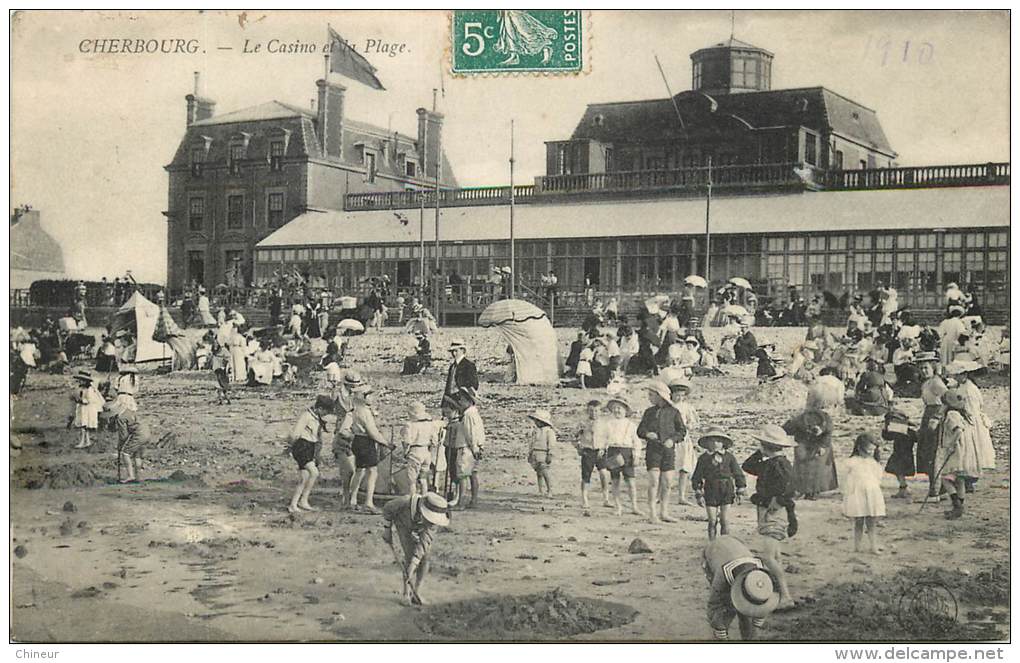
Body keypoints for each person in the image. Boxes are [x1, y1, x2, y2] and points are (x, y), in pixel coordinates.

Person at [741, 423, 797, 610]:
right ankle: (780, 594)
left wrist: (777, 502)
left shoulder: (779, 464)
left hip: (774, 513)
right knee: (774, 555)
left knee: (768, 557)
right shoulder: (772, 462)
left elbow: (790, 488)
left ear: (765, 445)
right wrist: (761, 451)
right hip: (770, 511)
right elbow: (747, 466)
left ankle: (785, 595)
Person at [702, 535, 782, 640]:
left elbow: (763, 608)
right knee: (725, 610)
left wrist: (753, 630)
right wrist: (720, 630)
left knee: (747, 617)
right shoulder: (722, 577)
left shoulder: (763, 579)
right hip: (715, 551)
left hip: (737, 545)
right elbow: (713, 605)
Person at [382, 492, 450, 606]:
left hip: (419, 527)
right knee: (409, 556)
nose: (431, 523)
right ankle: (406, 593)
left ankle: (416, 592)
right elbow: (387, 508)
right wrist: (387, 529)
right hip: (403, 524)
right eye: (429, 518)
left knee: (425, 557)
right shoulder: (404, 502)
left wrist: (415, 562)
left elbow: (424, 543)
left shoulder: (432, 524)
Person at [344, 383, 395, 513]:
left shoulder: (354, 410)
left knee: (359, 470)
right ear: (363, 397)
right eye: (369, 396)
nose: (372, 398)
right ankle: (369, 502)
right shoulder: (365, 412)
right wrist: (386, 443)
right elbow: (372, 432)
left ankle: (352, 500)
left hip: (357, 440)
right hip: (366, 441)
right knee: (372, 471)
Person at [637, 380, 682, 524]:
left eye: (651, 395)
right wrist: (647, 434)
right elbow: (640, 430)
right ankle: (652, 513)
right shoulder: (649, 412)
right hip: (653, 450)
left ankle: (664, 512)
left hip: (668, 450)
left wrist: (673, 440)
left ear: (660, 396)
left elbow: (682, 431)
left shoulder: (674, 412)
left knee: (667, 482)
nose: (649, 398)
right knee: (653, 482)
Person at [691, 426, 746, 540]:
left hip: (726, 488)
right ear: (707, 443)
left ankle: (724, 543)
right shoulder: (703, 458)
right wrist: (698, 493)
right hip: (711, 489)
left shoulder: (729, 457)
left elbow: (738, 473)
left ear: (724, 443)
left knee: (725, 520)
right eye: (712, 440)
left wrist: (740, 489)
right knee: (712, 520)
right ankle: (712, 543)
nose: (716, 443)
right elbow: (697, 477)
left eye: (719, 441)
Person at [937, 389, 981, 520]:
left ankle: (957, 505)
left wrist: (950, 445)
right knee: (959, 479)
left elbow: (958, 431)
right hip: (963, 450)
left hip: (956, 450)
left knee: (945, 478)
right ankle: (959, 506)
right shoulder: (960, 413)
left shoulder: (951, 414)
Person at [596, 395, 643, 517]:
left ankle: (634, 506)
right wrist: (601, 448)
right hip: (613, 451)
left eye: (620, 408)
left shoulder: (631, 425)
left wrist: (637, 455)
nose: (617, 410)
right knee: (615, 481)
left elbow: (637, 441)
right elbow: (603, 438)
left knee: (631, 481)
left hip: (627, 452)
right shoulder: (608, 424)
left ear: (626, 410)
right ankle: (618, 507)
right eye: (615, 408)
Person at [287, 395, 333, 513]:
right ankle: (303, 499)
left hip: (310, 446)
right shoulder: (306, 416)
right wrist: (290, 447)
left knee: (304, 477)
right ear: (320, 408)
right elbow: (295, 434)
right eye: (325, 412)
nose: (325, 414)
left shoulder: (315, 416)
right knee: (314, 472)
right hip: (302, 446)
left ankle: (295, 504)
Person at [843, 433, 886, 553]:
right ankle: (857, 547)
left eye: (873, 450)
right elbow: (846, 479)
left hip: (871, 492)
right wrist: (849, 494)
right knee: (859, 522)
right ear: (859, 447)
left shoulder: (873, 462)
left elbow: (878, 478)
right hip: (857, 494)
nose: (870, 452)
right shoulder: (852, 462)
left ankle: (873, 546)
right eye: (868, 449)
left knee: (871, 521)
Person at [782, 408, 838, 500]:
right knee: (801, 468)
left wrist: (823, 446)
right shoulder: (799, 420)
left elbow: (828, 434)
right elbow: (785, 429)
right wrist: (790, 421)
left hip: (819, 445)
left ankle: (813, 492)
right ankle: (800, 490)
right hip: (803, 444)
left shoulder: (826, 420)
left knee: (817, 470)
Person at [914, 352, 946, 499]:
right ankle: (939, 488)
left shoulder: (936, 382)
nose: (923, 370)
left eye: (926, 367)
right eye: (921, 368)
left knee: (933, 453)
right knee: (926, 451)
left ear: (933, 367)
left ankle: (936, 489)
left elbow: (947, 400)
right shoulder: (926, 383)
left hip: (936, 416)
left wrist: (937, 417)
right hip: (928, 414)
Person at [668, 377, 700, 507]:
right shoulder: (668, 406)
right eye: (677, 395)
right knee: (668, 467)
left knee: (684, 468)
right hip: (670, 439)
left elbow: (694, 423)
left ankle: (681, 496)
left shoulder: (687, 408)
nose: (679, 398)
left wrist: (687, 425)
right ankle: (663, 494)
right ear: (672, 394)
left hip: (684, 439)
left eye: (682, 395)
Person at [402, 402, 446, 496]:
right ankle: (424, 498)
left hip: (415, 451)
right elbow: (435, 441)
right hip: (426, 451)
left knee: (412, 481)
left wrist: (405, 452)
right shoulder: (429, 425)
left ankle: (412, 500)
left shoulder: (410, 425)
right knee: (423, 478)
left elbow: (407, 441)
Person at [574, 399, 611, 511]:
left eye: (596, 411)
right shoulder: (582, 423)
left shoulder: (604, 424)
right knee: (586, 476)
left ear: (600, 411)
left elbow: (608, 438)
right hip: (588, 451)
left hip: (600, 451)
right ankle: (585, 500)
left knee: (604, 474)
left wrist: (604, 448)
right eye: (591, 411)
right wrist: (578, 447)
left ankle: (606, 498)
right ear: (587, 411)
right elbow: (574, 436)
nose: (593, 413)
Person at [454, 386, 485, 508]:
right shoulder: (475, 414)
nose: (460, 402)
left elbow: (470, 433)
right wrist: (479, 446)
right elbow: (479, 432)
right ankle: (474, 500)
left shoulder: (468, 415)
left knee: (462, 475)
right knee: (473, 473)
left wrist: (473, 447)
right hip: (475, 447)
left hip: (466, 447)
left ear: (468, 401)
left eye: (461, 400)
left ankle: (461, 501)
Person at [108, 395, 150, 483]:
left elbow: (124, 435)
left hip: (138, 434)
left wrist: (120, 445)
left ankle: (130, 476)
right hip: (146, 432)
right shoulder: (129, 411)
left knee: (125, 453)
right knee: (137, 455)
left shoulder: (120, 418)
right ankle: (138, 476)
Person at [882, 409, 918, 499]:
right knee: (900, 472)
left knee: (898, 472)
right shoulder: (909, 431)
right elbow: (917, 438)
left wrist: (885, 428)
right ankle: (903, 488)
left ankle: (904, 488)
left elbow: (886, 437)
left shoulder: (897, 432)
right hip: (908, 454)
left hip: (899, 454)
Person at [71, 369, 105, 449]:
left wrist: (80, 400)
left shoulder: (90, 389)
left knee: (84, 426)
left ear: (86, 381)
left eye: (82, 380)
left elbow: (90, 400)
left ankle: (83, 442)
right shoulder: (82, 389)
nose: (80, 382)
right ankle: (87, 441)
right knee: (84, 426)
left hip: (88, 409)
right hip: (83, 408)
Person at [527, 409, 556, 498]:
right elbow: (532, 442)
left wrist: (550, 454)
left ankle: (549, 490)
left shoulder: (548, 431)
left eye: (537, 421)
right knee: (538, 473)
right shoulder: (535, 431)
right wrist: (530, 453)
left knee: (545, 472)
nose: (536, 422)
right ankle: (540, 490)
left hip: (543, 453)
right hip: (535, 452)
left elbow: (551, 443)